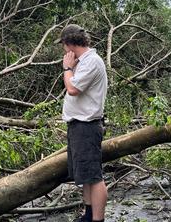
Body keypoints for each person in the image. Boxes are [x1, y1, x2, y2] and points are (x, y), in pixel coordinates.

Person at [59, 24, 108, 222]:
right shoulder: (84, 61)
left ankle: (97, 219)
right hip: (78, 125)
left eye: (63, 45)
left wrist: (67, 68)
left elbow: (72, 89)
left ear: (69, 44)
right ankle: (88, 215)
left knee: (94, 176)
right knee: (86, 175)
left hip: (87, 126)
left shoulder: (92, 62)